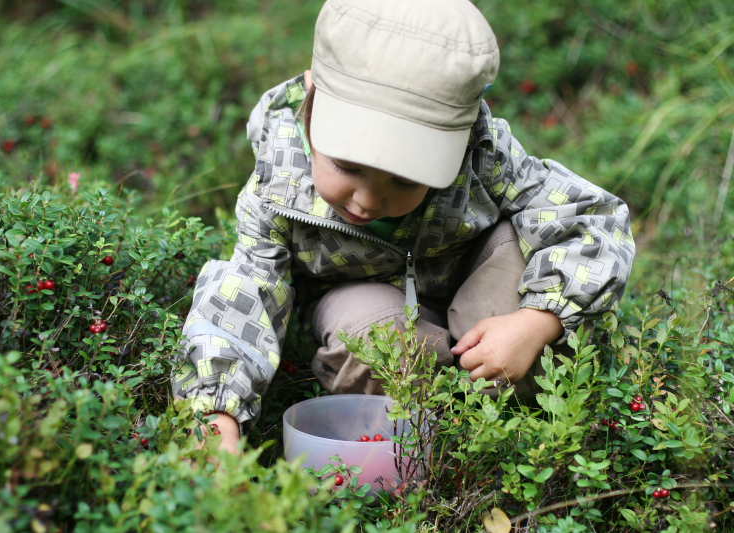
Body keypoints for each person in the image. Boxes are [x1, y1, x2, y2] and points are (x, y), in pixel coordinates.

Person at [172, 0, 635, 454]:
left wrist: (536, 323)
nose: (368, 199)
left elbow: (590, 218)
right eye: (347, 166)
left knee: (525, 251)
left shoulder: (482, 154)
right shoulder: (279, 183)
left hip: (479, 298)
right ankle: (436, 432)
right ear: (310, 108)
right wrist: (217, 419)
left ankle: (499, 415)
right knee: (368, 334)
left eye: (405, 179)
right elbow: (246, 290)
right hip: (370, 308)